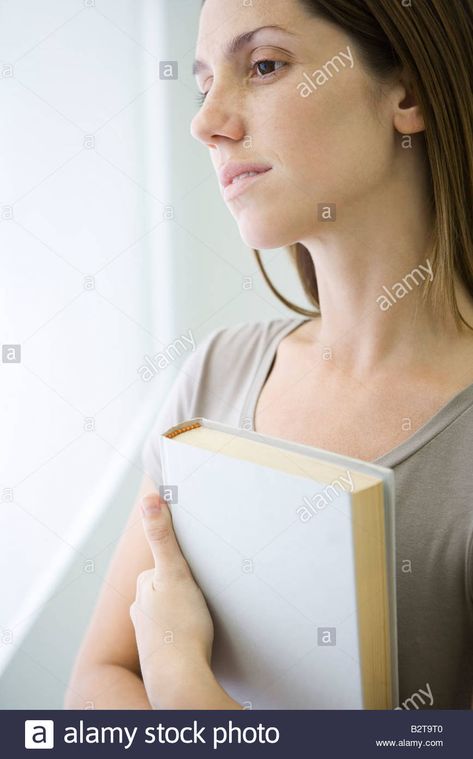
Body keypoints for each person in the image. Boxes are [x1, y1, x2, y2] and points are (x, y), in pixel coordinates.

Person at [64, 0, 473, 709]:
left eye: (263, 65)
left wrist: (181, 676)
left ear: (406, 94)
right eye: (202, 84)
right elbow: (98, 679)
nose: (205, 122)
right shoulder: (215, 373)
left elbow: (147, 667)